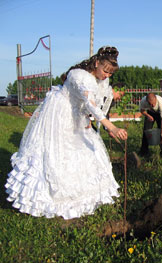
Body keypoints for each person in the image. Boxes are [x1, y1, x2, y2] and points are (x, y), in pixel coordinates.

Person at [5, 46, 128, 219]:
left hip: (78, 114)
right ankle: (50, 198)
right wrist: (111, 126)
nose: (107, 76)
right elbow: (91, 103)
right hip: (61, 113)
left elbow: (94, 104)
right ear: (97, 63)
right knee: (57, 151)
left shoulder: (101, 80)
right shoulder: (80, 76)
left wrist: (89, 119)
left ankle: (86, 195)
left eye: (110, 74)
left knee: (86, 148)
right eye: (105, 71)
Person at [139, 93, 162, 157]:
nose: (152, 105)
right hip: (150, 113)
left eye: (154, 103)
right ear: (147, 101)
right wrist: (148, 115)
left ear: (156, 99)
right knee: (146, 131)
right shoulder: (143, 101)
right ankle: (143, 152)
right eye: (150, 104)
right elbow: (142, 110)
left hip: (160, 114)